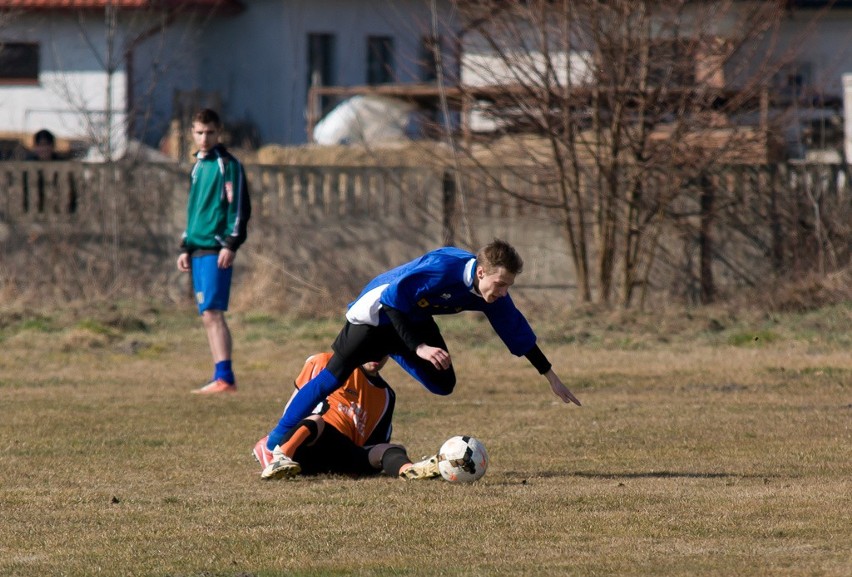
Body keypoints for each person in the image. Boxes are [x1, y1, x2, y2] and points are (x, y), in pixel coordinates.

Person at [264, 238, 581, 451]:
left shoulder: (491, 294)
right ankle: (273, 443)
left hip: (412, 319)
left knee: (443, 383)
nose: (502, 292)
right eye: (500, 284)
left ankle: (393, 348)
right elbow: (391, 300)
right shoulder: (443, 270)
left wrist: (550, 375)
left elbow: (516, 331)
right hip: (375, 313)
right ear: (482, 272)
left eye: (508, 286)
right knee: (332, 379)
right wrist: (418, 348)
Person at [253, 352, 440, 480]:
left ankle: (411, 471)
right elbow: (291, 412)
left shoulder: (386, 395)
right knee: (316, 420)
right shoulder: (325, 362)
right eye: (373, 346)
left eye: (384, 350)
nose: (377, 354)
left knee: (392, 448)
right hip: (310, 444)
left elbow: (373, 444)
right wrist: (275, 439)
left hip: (344, 454)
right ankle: (280, 459)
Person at [177, 109, 251, 394]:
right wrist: (186, 246)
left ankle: (225, 377)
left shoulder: (228, 165)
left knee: (213, 312)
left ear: (218, 132)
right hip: (197, 248)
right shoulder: (197, 166)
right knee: (207, 313)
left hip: (216, 247)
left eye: (209, 133)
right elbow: (194, 210)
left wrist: (231, 244)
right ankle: (220, 375)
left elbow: (239, 209)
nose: (204, 138)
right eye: (198, 132)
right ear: (192, 133)